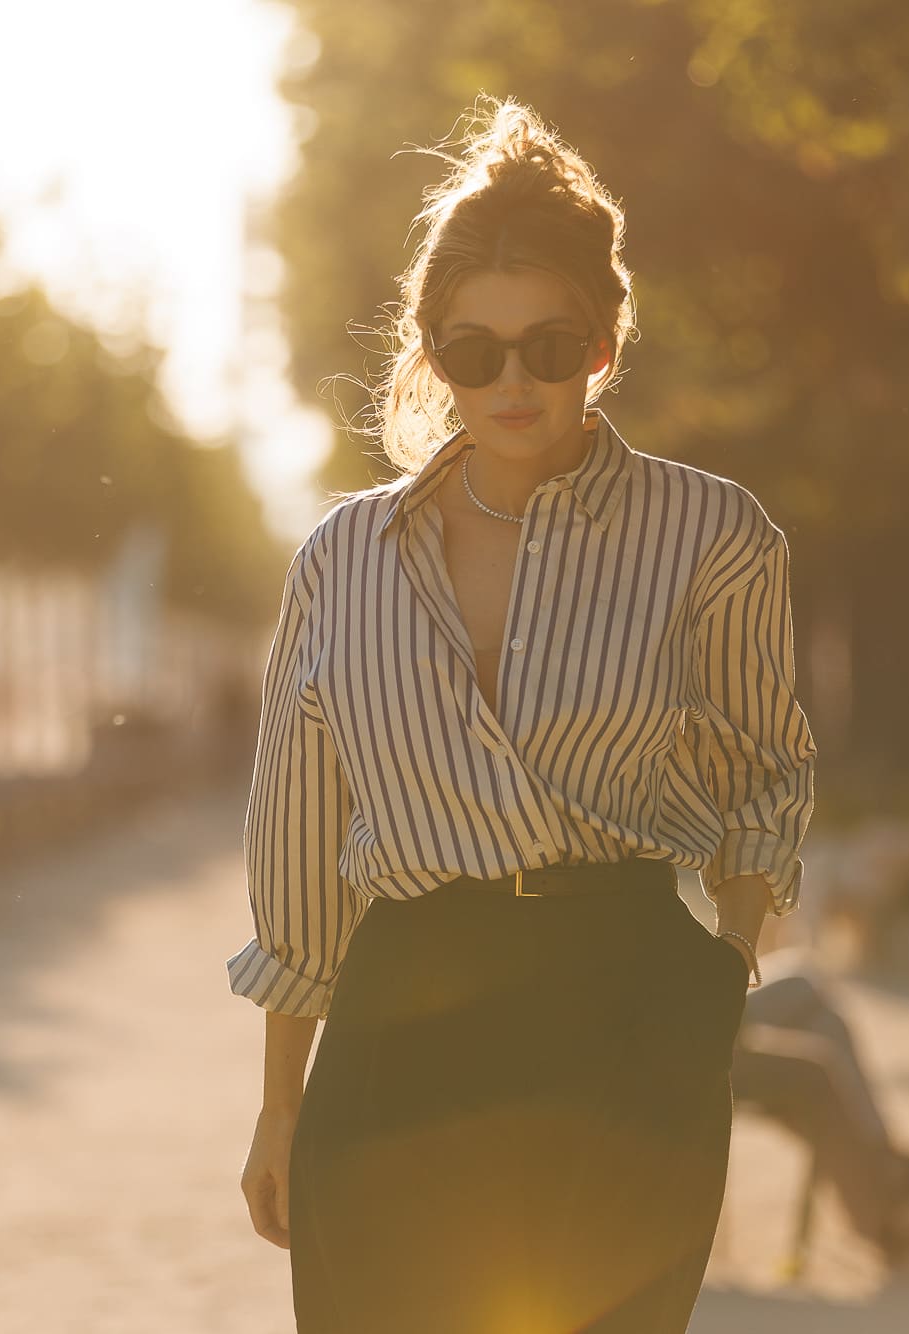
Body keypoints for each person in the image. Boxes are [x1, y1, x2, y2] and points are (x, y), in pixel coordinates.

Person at [228, 98, 817, 1332]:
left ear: (602, 345)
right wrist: (280, 1100)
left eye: (547, 347)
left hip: (624, 1016)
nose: (511, 381)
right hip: (397, 1026)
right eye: (472, 349)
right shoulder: (342, 558)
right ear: (430, 354)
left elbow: (763, 772)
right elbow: (295, 850)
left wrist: (720, 973)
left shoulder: (709, 534)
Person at [730, 950, 909, 1262]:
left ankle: (890, 1189)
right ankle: (888, 1205)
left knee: (827, 1025)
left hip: (693, 1014)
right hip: (684, 1038)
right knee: (803, 983)